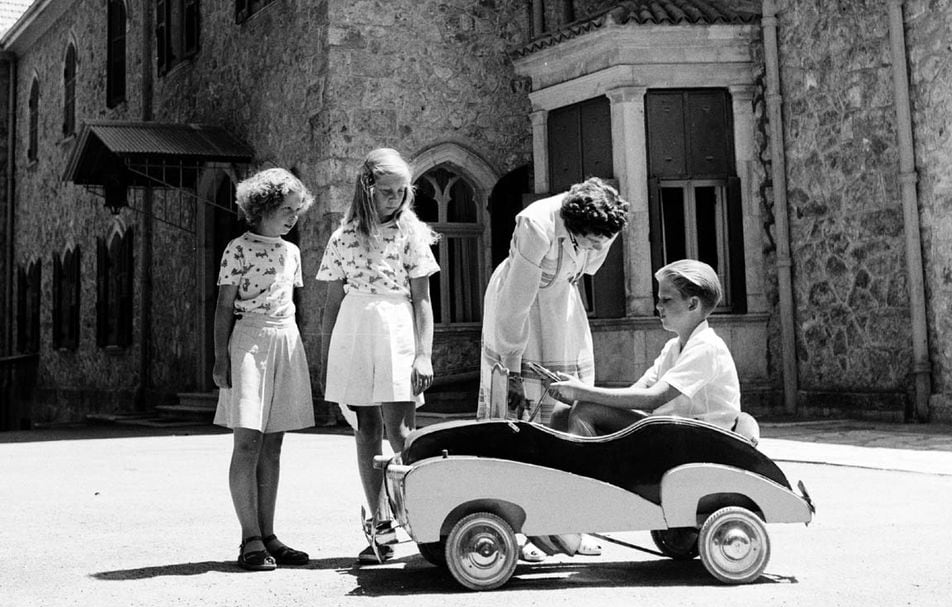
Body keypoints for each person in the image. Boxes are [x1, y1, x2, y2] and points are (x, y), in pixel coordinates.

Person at [477, 177, 630, 561]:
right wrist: (510, 369)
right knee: (518, 421)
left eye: (603, 241)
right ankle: (516, 529)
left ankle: (564, 529)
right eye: (593, 240)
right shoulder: (536, 224)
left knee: (564, 420)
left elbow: (585, 269)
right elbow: (516, 300)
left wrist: (595, 245)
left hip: (561, 311)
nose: (599, 247)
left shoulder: (606, 220)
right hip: (522, 315)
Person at [317, 148, 440, 564]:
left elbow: (423, 302)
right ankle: (380, 522)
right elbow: (331, 304)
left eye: (402, 191)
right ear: (367, 189)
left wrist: (424, 355)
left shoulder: (412, 233)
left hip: (396, 328)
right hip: (355, 330)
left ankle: (419, 517)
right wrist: (325, 357)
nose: (395, 198)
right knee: (364, 426)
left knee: (401, 429)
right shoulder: (343, 237)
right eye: (386, 191)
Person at [212, 168, 316, 572]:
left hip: (284, 338)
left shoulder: (292, 252)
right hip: (250, 341)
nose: (292, 218)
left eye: (296, 210)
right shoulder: (237, 249)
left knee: (273, 444)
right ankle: (249, 538)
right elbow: (223, 306)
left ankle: (269, 535)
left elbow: (293, 302)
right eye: (285, 209)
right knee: (247, 443)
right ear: (262, 208)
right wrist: (220, 357)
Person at [548, 259, 749, 440]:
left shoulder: (706, 346)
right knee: (562, 411)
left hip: (701, 440)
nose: (658, 306)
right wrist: (577, 393)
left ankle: (584, 473)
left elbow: (654, 398)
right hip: (675, 432)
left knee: (586, 408)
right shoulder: (673, 347)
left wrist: (583, 393)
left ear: (693, 303)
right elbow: (638, 392)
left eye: (666, 300)